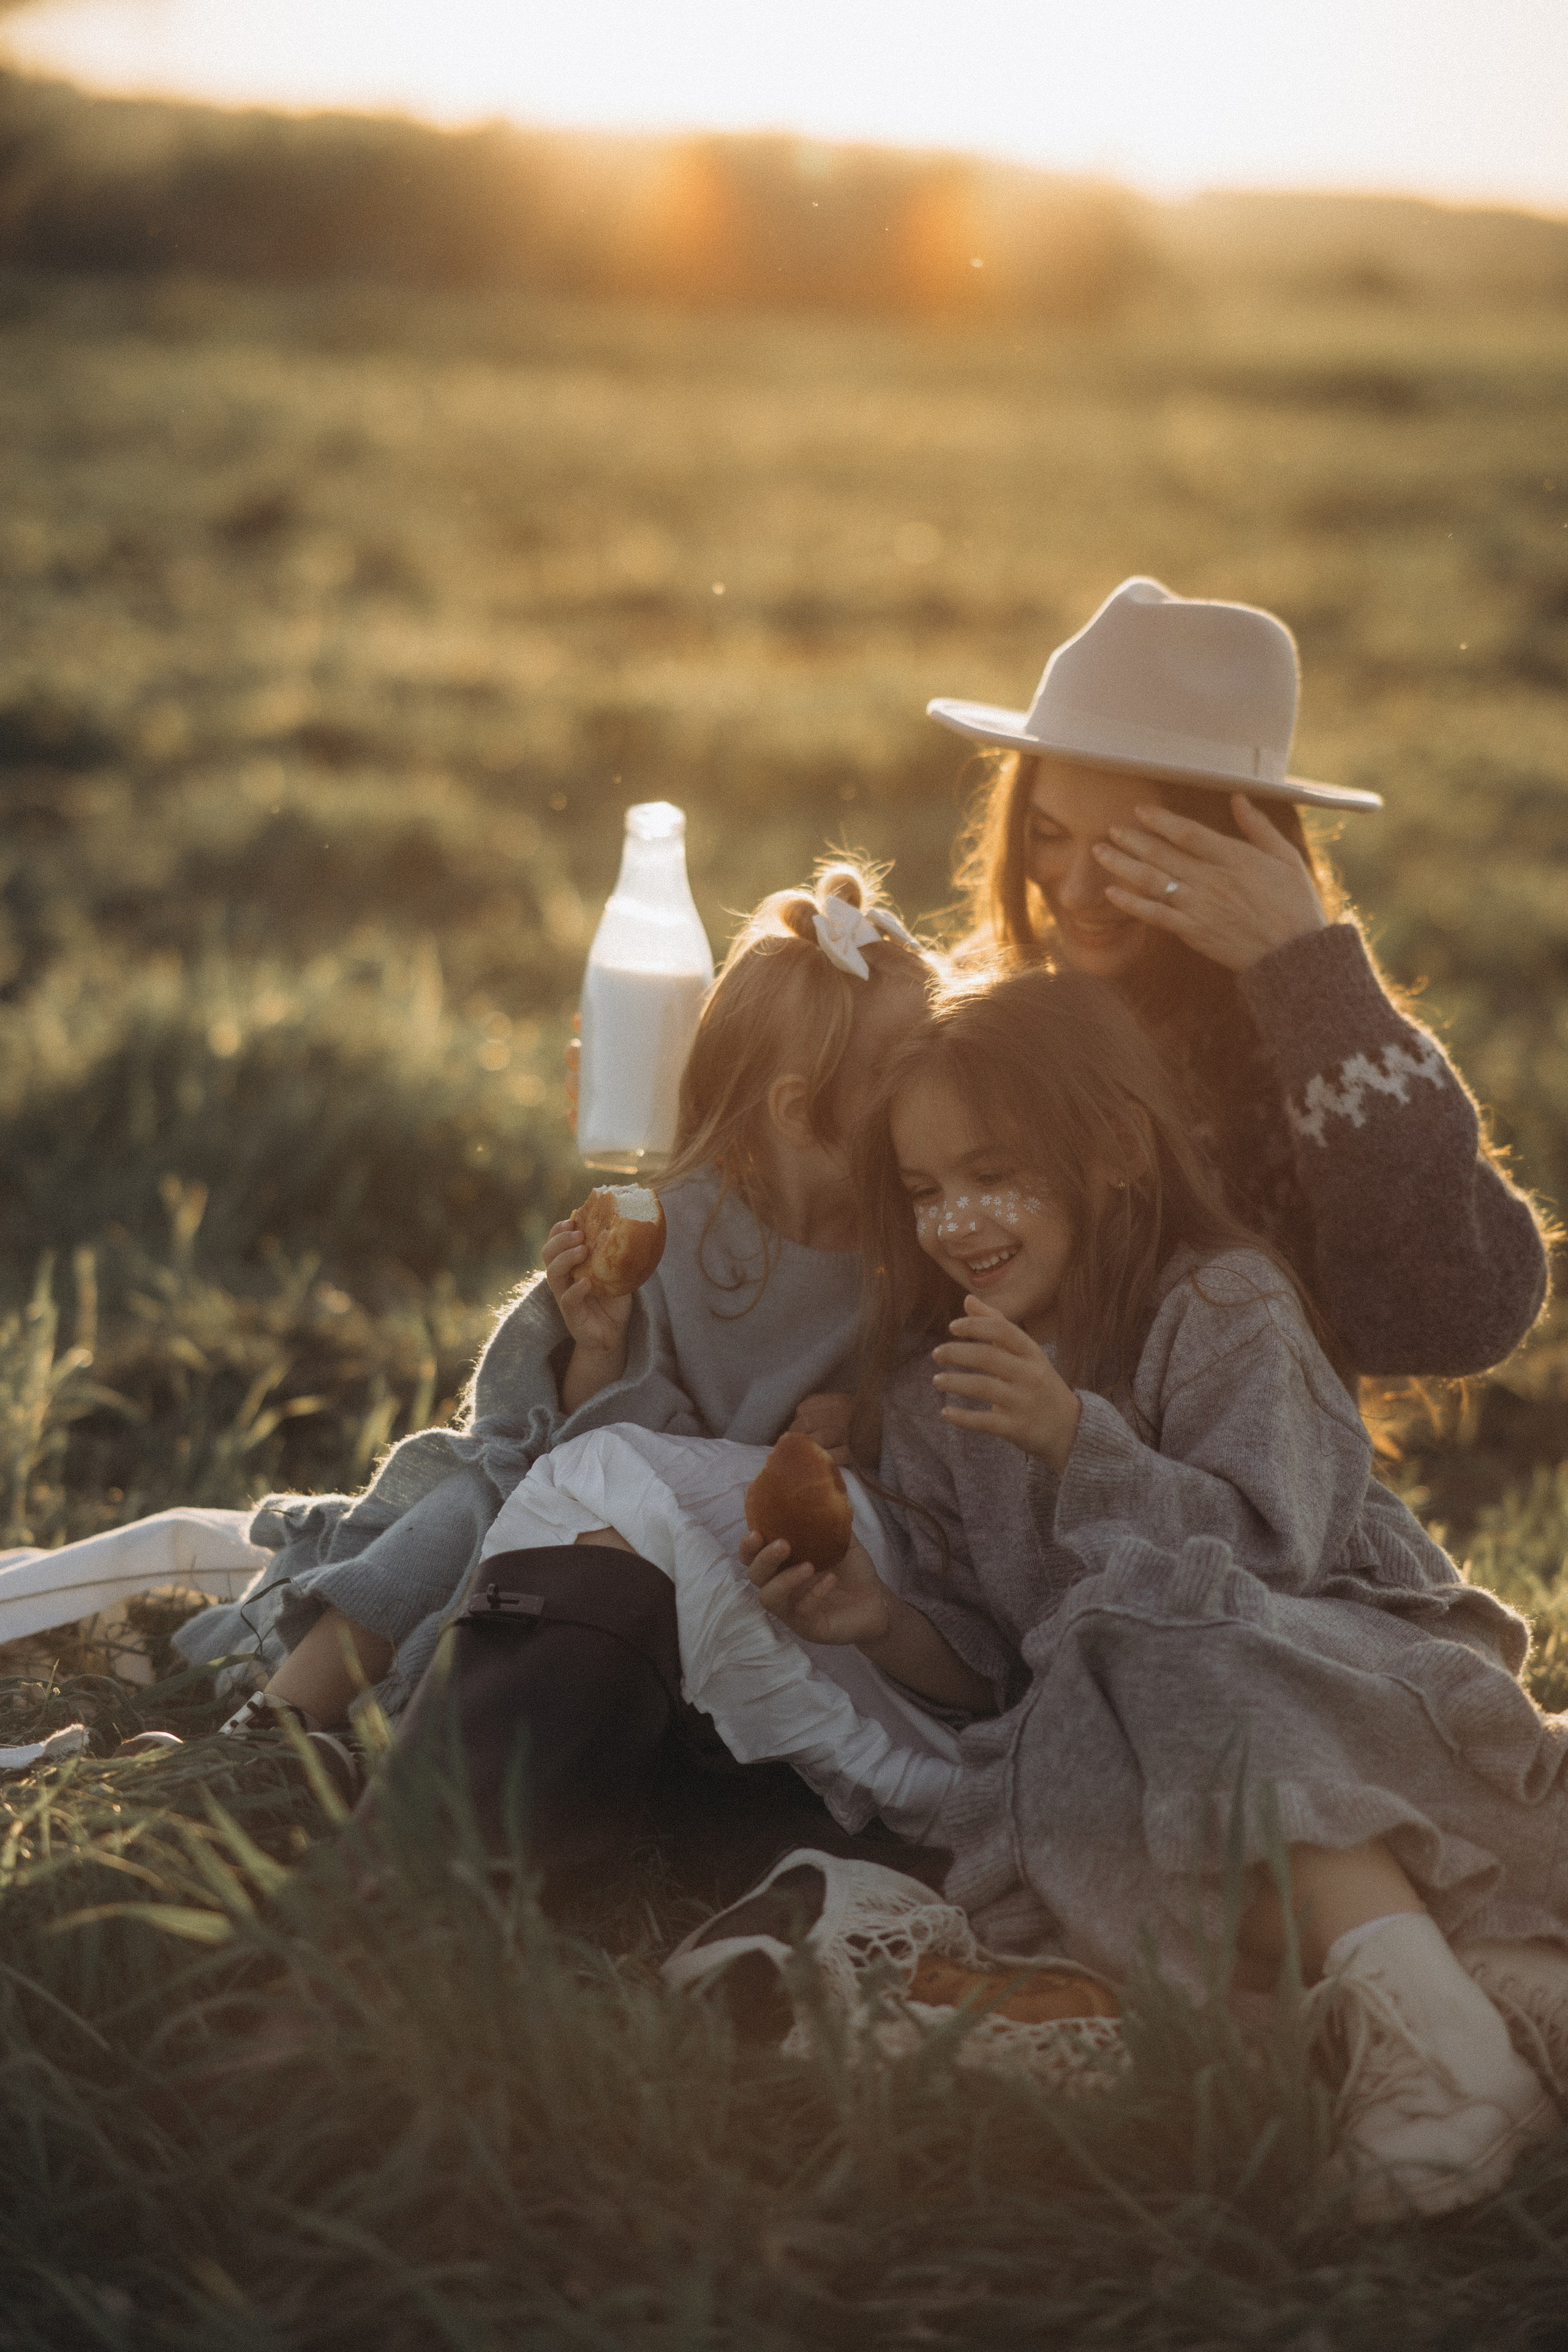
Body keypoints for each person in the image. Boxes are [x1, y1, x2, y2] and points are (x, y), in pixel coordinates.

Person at [715, 961, 1568, 2220]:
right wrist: (882, 1623)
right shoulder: (939, 1384)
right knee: (1079, 1810)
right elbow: (1002, 1658)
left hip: (1351, 1689)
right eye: (925, 1191)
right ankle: (1476, 1990)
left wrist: (1076, 1441)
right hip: (1163, 1751)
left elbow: (1261, 1562)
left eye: (992, 1175)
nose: (956, 1220)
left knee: (1155, 1636)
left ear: (1112, 1150)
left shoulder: (1222, 1303)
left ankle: (1445, 2061)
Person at [157, 864, 932, 1758]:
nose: (939, 1090)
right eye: (906, 1073)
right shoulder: (676, 1230)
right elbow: (570, 1462)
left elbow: (930, 1439)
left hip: (759, 1582)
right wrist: (597, 1351)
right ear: (800, 1112)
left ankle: (392, 1741)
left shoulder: (909, 1257)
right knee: (468, 1506)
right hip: (609, 1540)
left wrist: (870, 1427)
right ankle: (271, 1728)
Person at [930, 575, 1550, 1374]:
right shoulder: (983, 1003)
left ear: (1235, 848)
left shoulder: (1305, 1054)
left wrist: (1314, 980)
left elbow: (1451, 1320)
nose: (1076, 890)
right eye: (1048, 833)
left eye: (1132, 851)